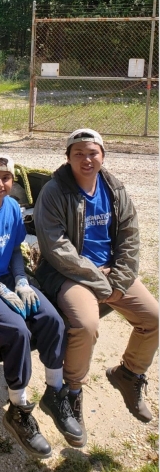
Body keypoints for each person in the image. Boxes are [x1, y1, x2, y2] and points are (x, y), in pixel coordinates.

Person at [0, 154, 84, 458]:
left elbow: (13, 250)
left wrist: (22, 280)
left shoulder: (12, 207)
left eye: (6, 178)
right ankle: (19, 408)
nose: (0, 184)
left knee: (52, 320)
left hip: (8, 280)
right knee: (16, 330)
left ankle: (54, 392)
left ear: (13, 181)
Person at [34, 128, 159, 443]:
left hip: (110, 273)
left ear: (103, 155)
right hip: (67, 273)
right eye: (79, 154)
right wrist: (100, 281)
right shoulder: (54, 191)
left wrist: (119, 277)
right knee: (86, 324)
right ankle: (69, 394)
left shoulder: (114, 188)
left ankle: (129, 375)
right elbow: (56, 248)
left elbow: (130, 237)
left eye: (93, 153)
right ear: (68, 158)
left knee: (153, 318)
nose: (87, 160)